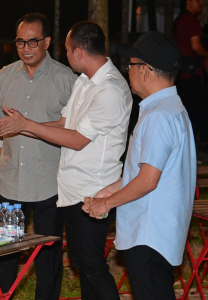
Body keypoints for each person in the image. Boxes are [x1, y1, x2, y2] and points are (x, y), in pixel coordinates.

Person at [0, 21, 132, 299]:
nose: (26, 48)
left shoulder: (106, 88)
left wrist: (25, 125)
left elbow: (77, 138)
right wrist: (18, 127)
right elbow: (65, 124)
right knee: (82, 264)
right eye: (20, 41)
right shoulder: (83, 82)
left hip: (91, 190)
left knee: (89, 266)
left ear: (77, 52)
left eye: (66, 49)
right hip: (66, 189)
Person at [82, 31, 197, 300]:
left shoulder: (158, 116)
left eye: (130, 65)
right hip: (157, 232)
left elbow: (147, 180)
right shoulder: (171, 109)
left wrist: (106, 205)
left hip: (149, 234)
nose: (128, 71)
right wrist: (109, 191)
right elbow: (145, 171)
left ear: (146, 70)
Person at [0, 13, 76, 300]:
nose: (26, 47)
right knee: (3, 252)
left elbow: (73, 128)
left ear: (47, 42)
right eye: (20, 41)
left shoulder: (65, 78)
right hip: (10, 181)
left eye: (33, 41)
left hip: (49, 182)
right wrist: (4, 153)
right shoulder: (5, 75)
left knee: (48, 258)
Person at [172, 0, 208, 151]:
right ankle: (192, 150)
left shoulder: (179, 20)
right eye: (198, 0)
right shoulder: (191, 21)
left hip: (180, 76)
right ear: (189, 2)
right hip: (192, 76)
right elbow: (195, 46)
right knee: (195, 114)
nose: (200, 4)